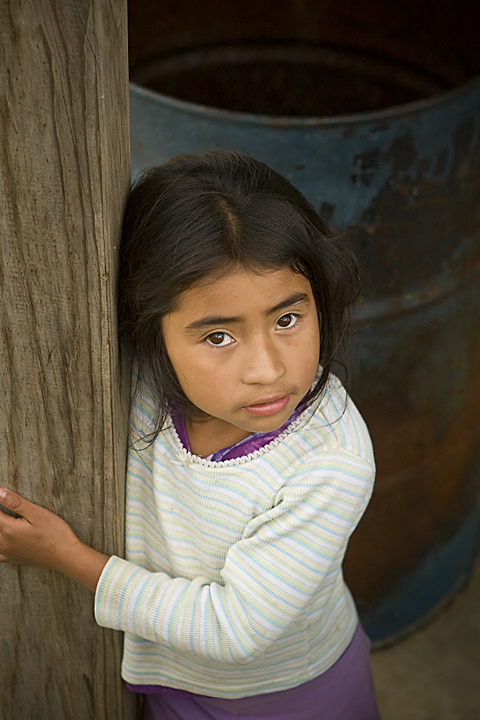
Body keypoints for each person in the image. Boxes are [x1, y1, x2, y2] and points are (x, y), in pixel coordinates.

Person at [0, 151, 380, 719]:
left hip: (287, 698)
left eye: (287, 319)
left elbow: (235, 629)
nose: (267, 368)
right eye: (219, 337)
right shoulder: (142, 389)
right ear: (151, 331)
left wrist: (67, 557)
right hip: (165, 681)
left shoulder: (331, 461)